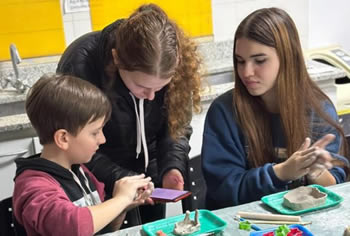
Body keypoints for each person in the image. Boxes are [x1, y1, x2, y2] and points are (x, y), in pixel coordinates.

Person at [56, 3, 201, 225]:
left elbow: (176, 126)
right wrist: (119, 178)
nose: (151, 96)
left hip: (148, 177)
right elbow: (75, 144)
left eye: (160, 88)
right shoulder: (81, 63)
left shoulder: (168, 63)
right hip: (99, 177)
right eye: (142, 86)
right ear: (116, 59)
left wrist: (171, 165)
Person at [202, 7, 350, 210]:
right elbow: (224, 191)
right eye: (240, 61)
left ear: (287, 57)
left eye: (259, 61)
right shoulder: (224, 112)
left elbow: (337, 188)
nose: (246, 72)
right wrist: (280, 173)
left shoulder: (318, 108)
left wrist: (316, 173)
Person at [12, 74, 154, 236]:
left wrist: (123, 206)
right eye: (95, 133)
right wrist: (120, 199)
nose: (103, 139)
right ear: (63, 138)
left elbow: (100, 230)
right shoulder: (34, 187)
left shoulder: (81, 172)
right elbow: (74, 227)